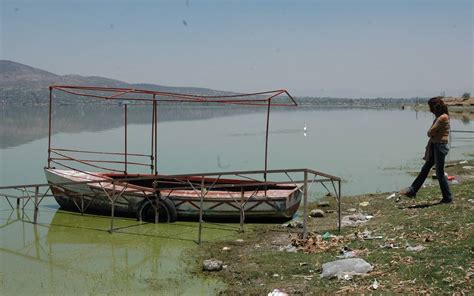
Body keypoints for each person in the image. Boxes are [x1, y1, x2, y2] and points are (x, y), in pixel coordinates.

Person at [402, 97, 453, 203]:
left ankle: (447, 197)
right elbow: (432, 132)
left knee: (439, 173)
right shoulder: (440, 117)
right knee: (425, 169)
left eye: (431, 107)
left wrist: (431, 133)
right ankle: (412, 191)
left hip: (439, 147)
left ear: (435, 107)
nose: (430, 110)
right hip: (436, 146)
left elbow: (430, 132)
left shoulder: (442, 118)